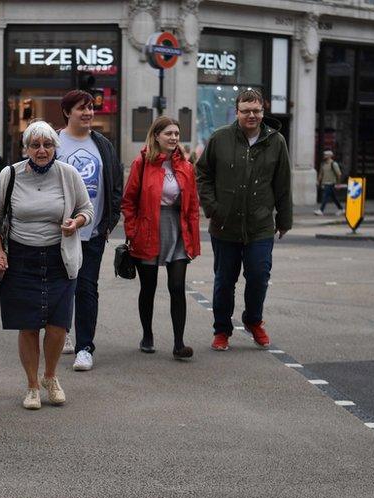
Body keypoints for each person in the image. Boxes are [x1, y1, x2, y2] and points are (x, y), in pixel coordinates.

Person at [0, 119, 94, 410]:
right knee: (28, 325)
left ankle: (51, 376)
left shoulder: (68, 174)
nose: (42, 150)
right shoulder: (10, 175)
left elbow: (87, 209)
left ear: (55, 147)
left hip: (60, 258)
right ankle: (33, 385)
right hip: (21, 258)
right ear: (26, 148)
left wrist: (77, 222)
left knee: (58, 325)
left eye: (47, 145)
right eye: (35, 145)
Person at [196, 88, 292, 352]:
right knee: (224, 280)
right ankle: (221, 330)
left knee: (259, 275)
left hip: (260, 224)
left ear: (263, 112)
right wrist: (212, 207)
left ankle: (253, 320)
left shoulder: (276, 141)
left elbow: (283, 183)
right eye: (246, 111)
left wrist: (284, 219)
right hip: (224, 225)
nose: (252, 115)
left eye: (257, 111)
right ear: (236, 112)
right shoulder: (220, 138)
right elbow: (202, 174)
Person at [122, 116, 201, 359]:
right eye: (169, 133)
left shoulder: (186, 167)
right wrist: (132, 231)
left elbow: (193, 206)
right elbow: (128, 201)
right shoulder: (142, 163)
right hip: (148, 230)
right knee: (149, 287)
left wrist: (193, 238)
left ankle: (179, 344)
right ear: (156, 135)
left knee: (177, 287)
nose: (174, 138)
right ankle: (147, 334)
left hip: (177, 230)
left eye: (177, 133)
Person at [55, 90, 124, 369]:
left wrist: (109, 223)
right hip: (57, 232)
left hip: (93, 233)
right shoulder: (53, 142)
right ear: (67, 112)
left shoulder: (103, 145)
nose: (88, 113)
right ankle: (63, 333)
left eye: (91, 108)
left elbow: (115, 185)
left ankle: (85, 347)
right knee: (60, 287)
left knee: (86, 288)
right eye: (82, 108)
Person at [315, 150, 344, 215]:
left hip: (331, 183)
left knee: (325, 196)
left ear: (330, 156)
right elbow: (321, 174)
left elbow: (339, 174)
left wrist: (338, 184)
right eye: (324, 155)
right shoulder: (323, 164)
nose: (324, 156)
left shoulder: (333, 164)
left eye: (326, 155)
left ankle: (321, 210)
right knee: (333, 197)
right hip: (325, 183)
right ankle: (341, 209)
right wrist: (318, 181)